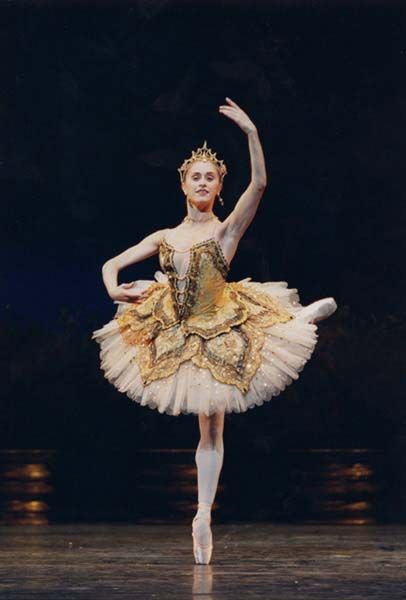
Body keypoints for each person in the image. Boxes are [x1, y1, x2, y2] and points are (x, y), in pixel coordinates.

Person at [91, 97, 337, 565]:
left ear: (220, 187)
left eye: (211, 177)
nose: (203, 181)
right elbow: (111, 264)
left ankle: (202, 512)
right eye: (196, 175)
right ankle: (201, 515)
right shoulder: (164, 236)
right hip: (175, 324)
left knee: (212, 424)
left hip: (219, 323)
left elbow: (261, 184)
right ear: (183, 184)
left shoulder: (225, 232)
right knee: (207, 427)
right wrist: (115, 291)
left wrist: (251, 133)